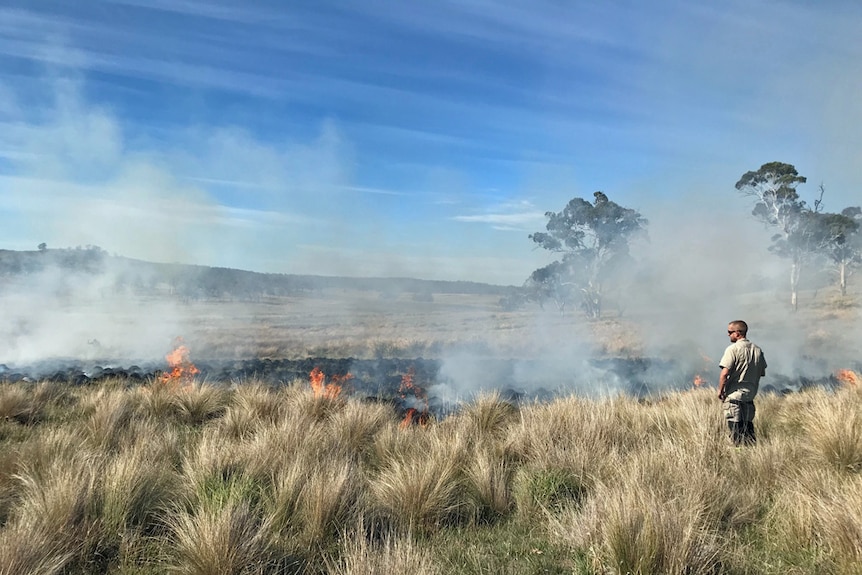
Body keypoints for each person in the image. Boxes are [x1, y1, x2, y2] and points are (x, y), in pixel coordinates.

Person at [718, 320, 767, 446]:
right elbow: (761, 372)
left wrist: (721, 390)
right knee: (748, 430)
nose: (728, 335)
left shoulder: (732, 349)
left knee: (735, 431)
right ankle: (751, 455)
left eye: (730, 332)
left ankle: (738, 456)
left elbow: (724, 373)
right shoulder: (757, 350)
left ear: (738, 333)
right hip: (749, 397)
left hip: (734, 397)